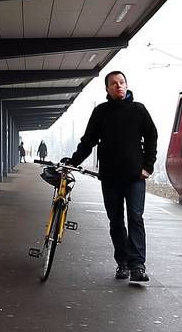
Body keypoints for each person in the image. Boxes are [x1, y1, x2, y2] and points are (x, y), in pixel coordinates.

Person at [64, 71, 158, 284]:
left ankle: (137, 266)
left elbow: (152, 135)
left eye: (122, 82)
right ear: (107, 89)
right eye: (114, 84)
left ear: (127, 84)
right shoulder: (101, 112)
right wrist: (73, 161)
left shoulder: (138, 110)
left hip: (135, 177)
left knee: (135, 218)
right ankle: (122, 263)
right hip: (110, 178)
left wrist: (148, 166)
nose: (119, 86)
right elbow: (88, 141)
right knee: (116, 221)